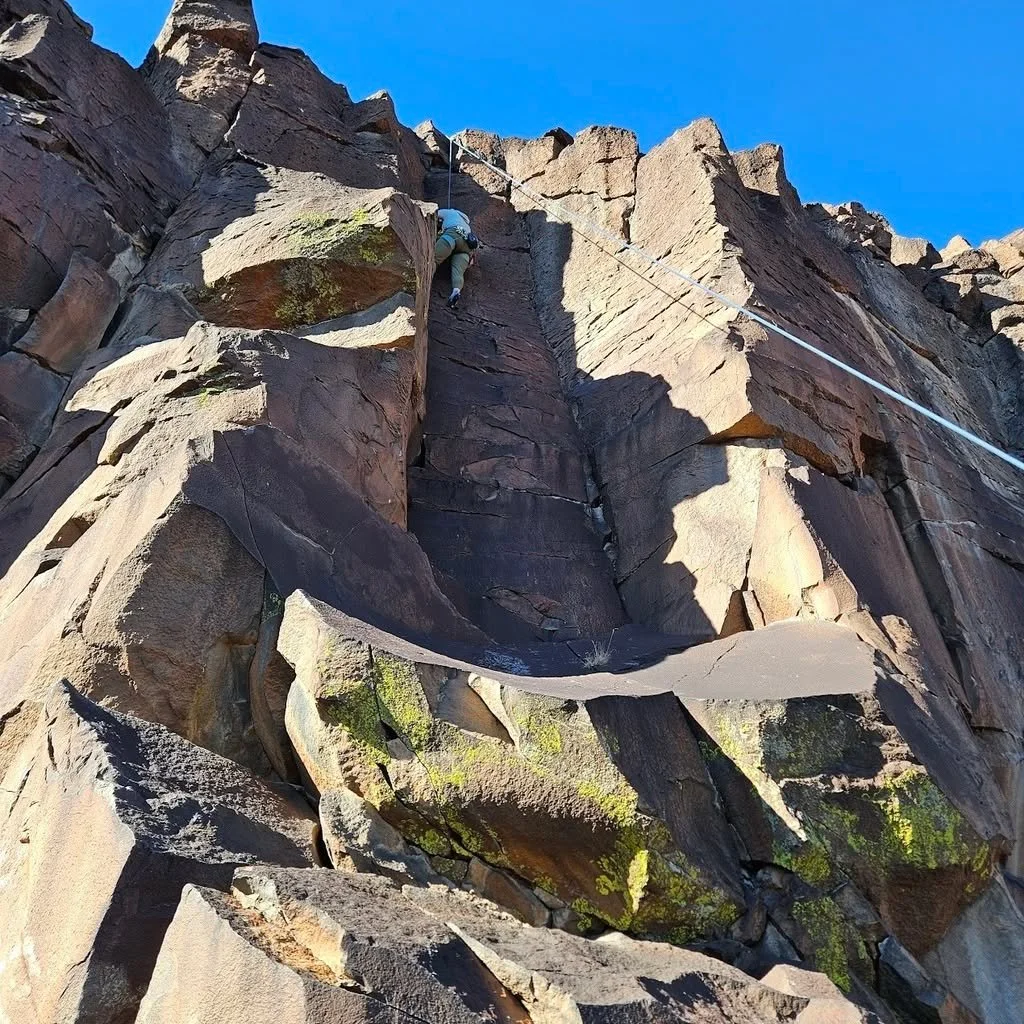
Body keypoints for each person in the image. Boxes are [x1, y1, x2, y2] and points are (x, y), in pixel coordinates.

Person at [435, 207, 478, 308]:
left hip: (453, 234)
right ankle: (456, 290)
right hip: (467, 247)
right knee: (458, 272)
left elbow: (434, 213)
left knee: (433, 259)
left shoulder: (450, 212)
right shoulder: (466, 224)